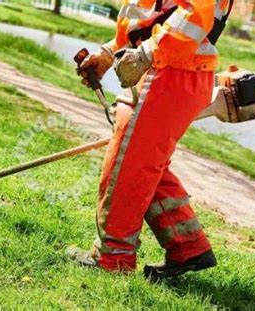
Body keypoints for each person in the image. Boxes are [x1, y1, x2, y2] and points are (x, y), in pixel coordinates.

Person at [68, 0, 232, 280]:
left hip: (172, 70)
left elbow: (194, 15)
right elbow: (145, 16)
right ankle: (188, 244)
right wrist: (109, 52)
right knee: (143, 160)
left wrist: (147, 53)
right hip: (169, 67)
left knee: (128, 166)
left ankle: (114, 256)